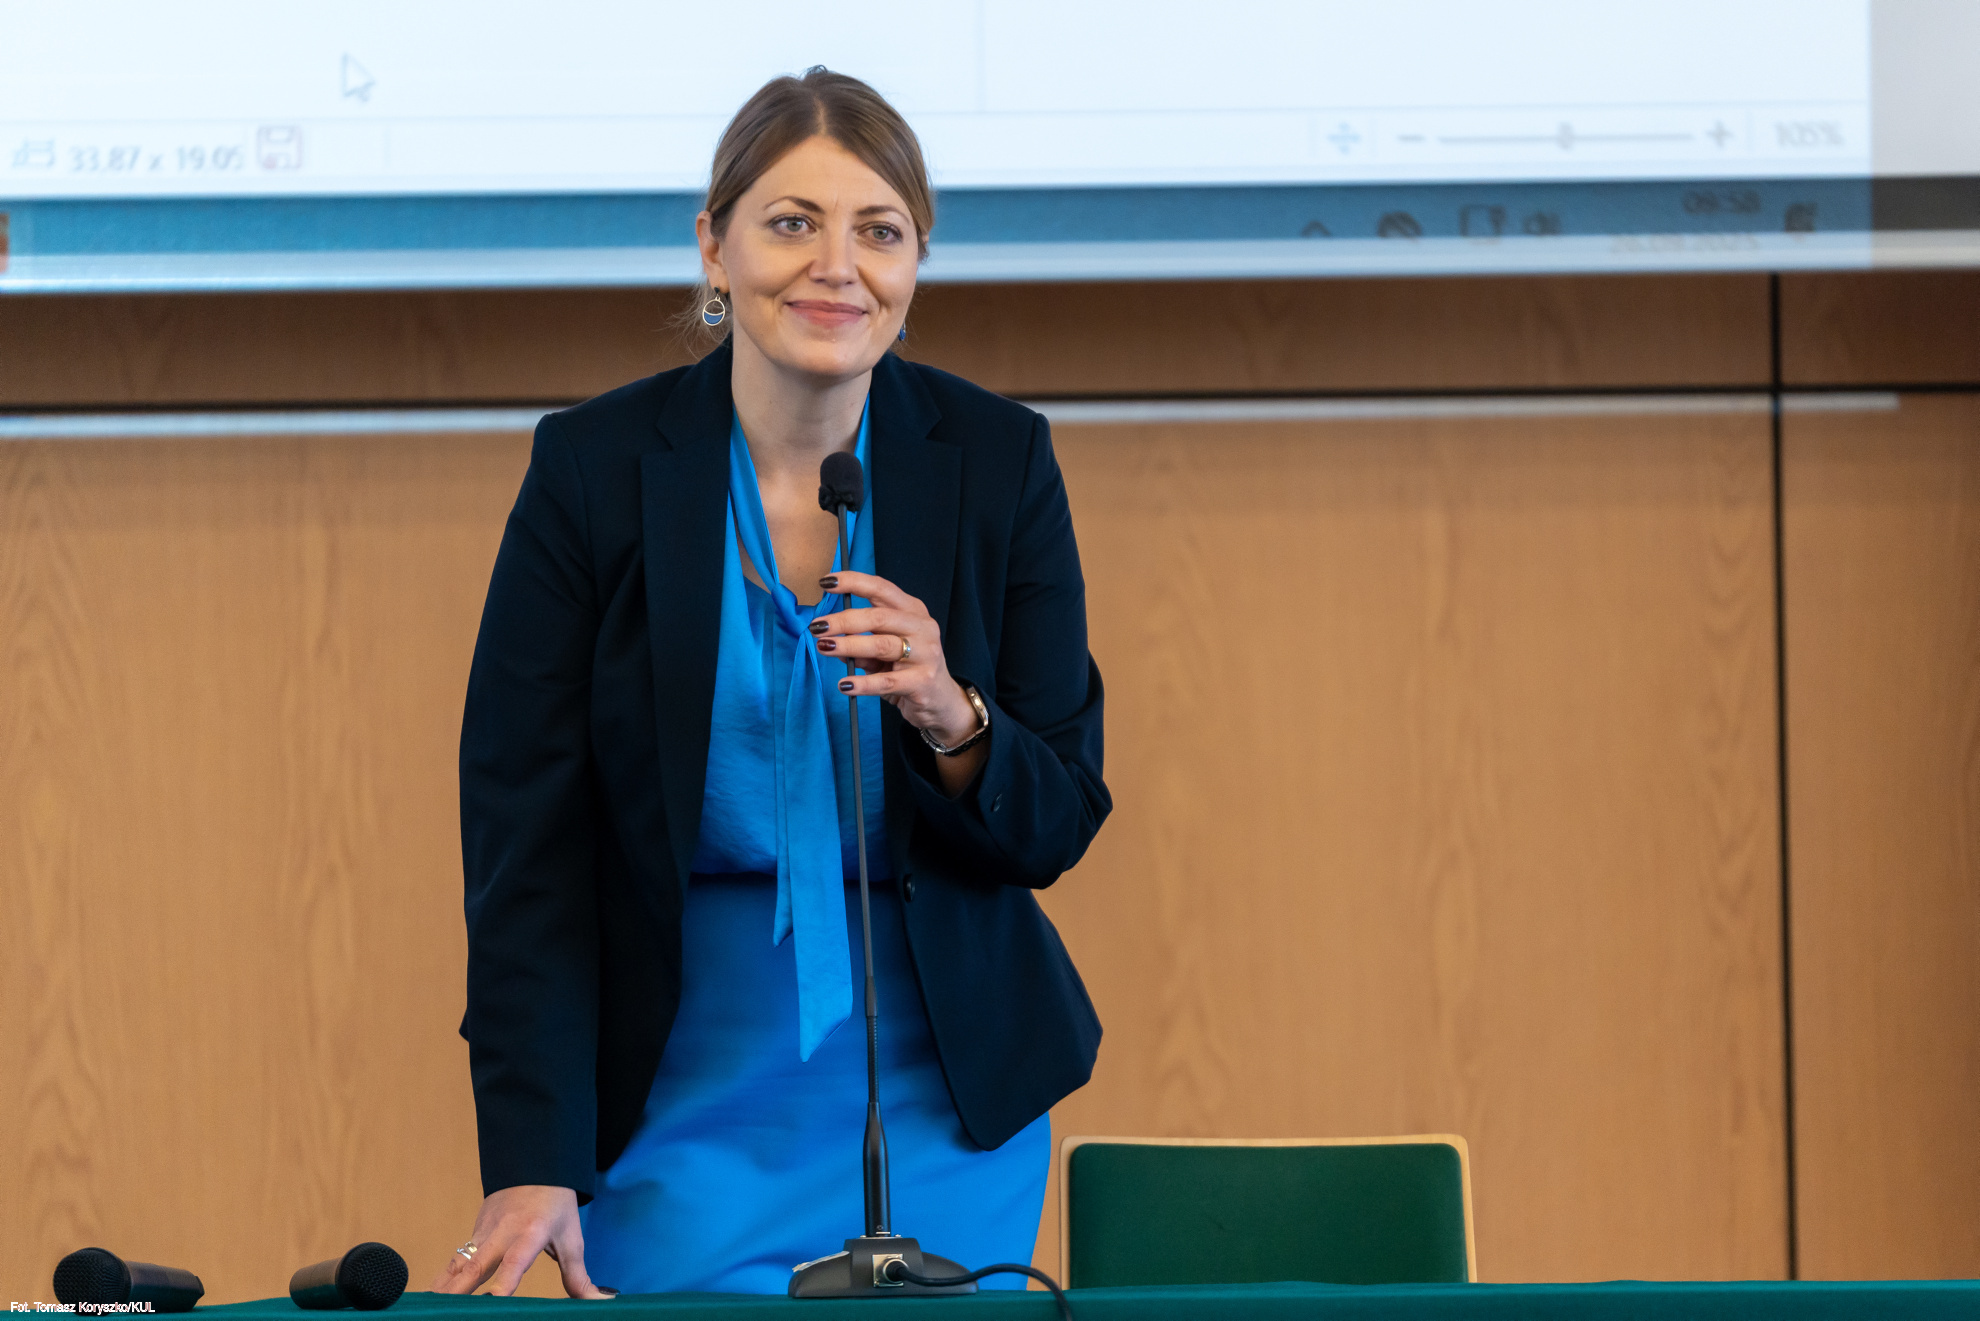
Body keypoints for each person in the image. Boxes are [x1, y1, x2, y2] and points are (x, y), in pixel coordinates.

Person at [433, 68, 1110, 1298]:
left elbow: (1056, 818)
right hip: (677, 1065)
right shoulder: (593, 470)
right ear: (715, 244)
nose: (836, 267)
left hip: (938, 1076)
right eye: (793, 222)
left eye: (880, 232)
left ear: (917, 262)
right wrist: (533, 1155)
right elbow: (527, 847)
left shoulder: (1000, 458)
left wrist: (951, 713)